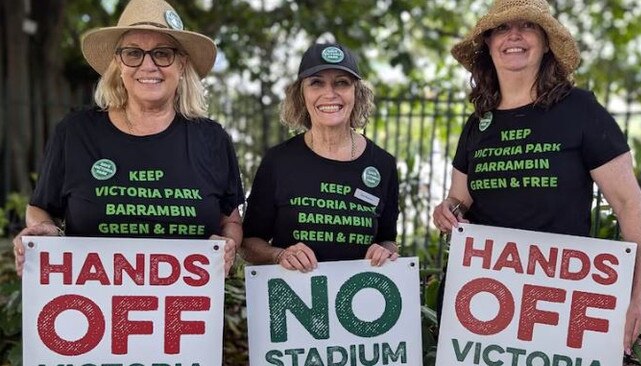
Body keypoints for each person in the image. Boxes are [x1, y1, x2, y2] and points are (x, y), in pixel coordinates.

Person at [431, 0, 641, 354]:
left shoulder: (580, 110)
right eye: (501, 28)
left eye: (527, 26)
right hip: (481, 302)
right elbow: (460, 201)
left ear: (546, 42)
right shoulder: (478, 123)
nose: (513, 35)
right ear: (488, 43)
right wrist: (448, 210)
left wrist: (640, 292)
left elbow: (629, 205)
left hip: (557, 306)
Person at [13, 0, 244, 276]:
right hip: (91, 309)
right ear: (118, 64)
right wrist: (45, 232)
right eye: (133, 53)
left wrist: (229, 243)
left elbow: (231, 220)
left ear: (182, 65)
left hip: (187, 310)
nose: (148, 65)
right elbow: (40, 208)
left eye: (162, 53)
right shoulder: (75, 133)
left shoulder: (212, 140)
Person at [240, 42, 400, 272]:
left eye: (341, 83)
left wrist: (385, 252)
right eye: (316, 83)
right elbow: (248, 244)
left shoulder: (382, 164)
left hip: (358, 301)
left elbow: (388, 240)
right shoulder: (279, 161)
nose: (329, 94)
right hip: (292, 300)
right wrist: (279, 255)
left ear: (357, 93)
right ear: (301, 94)